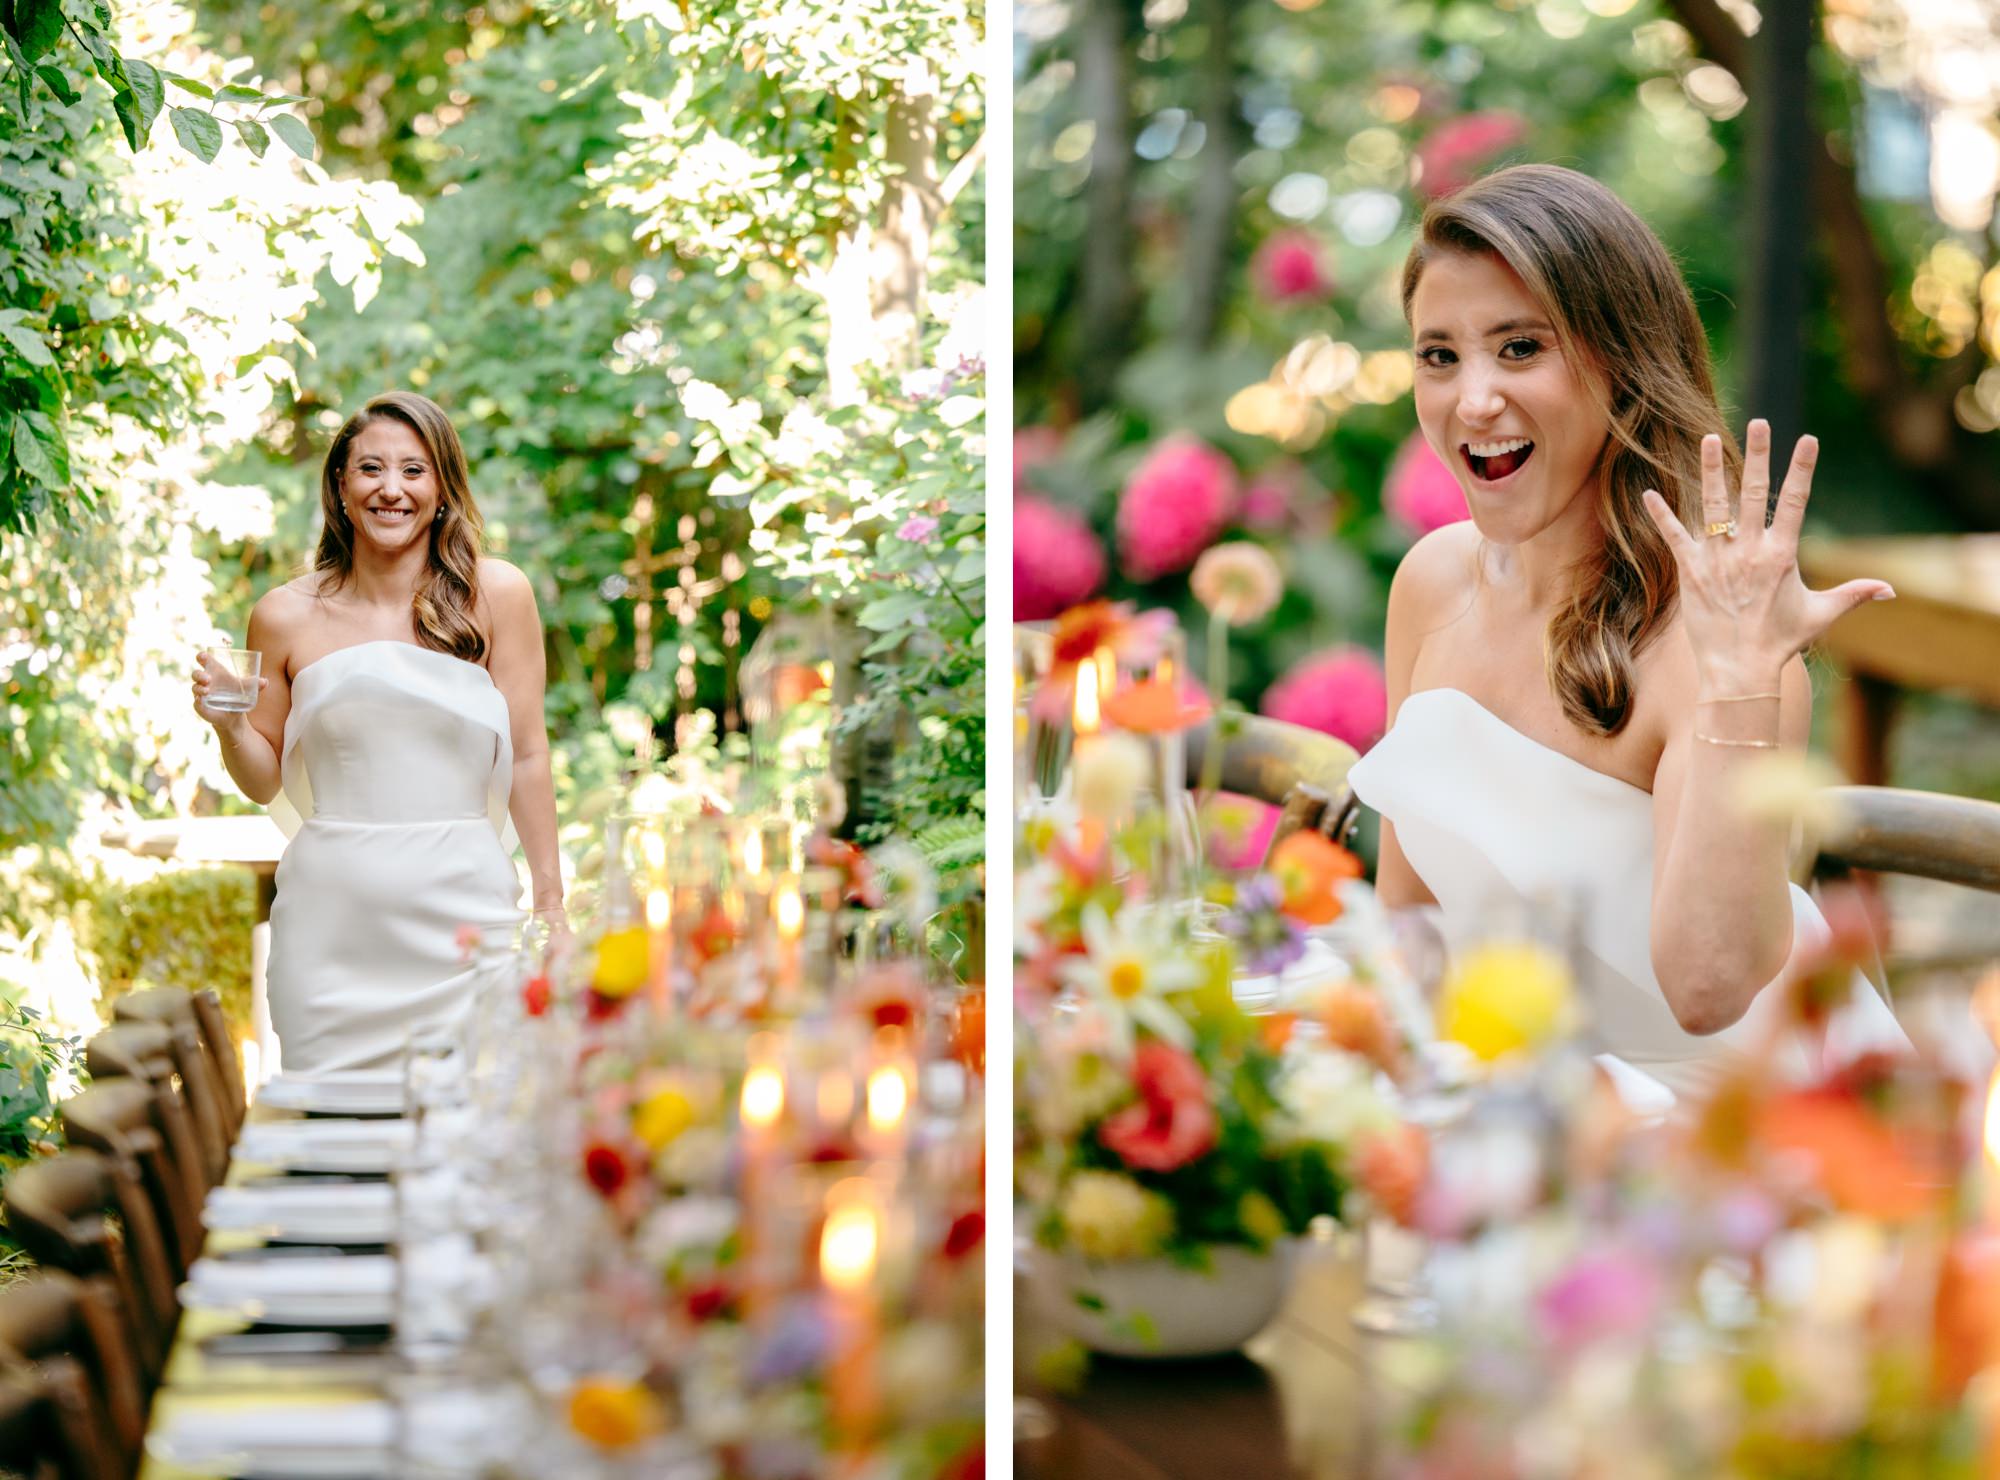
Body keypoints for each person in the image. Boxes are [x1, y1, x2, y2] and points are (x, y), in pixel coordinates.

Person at [1346, 164, 1903, 1105]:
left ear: (1623, 361)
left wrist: (1740, 685)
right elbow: (1414, 921)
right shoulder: (1430, 584)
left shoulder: (1715, 649)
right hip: (1525, 1110)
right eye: (1438, 356)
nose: (1471, 400)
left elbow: (1709, 992)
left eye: (1520, 348)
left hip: (1735, 1130)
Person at [193, 390, 567, 1073]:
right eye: (371, 469)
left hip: (467, 924)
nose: (391, 489)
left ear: (442, 487)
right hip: (331, 935)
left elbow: (530, 755)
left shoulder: (499, 595)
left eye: (413, 470)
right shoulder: (282, 615)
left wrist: (550, 904)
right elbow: (263, 778)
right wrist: (228, 727)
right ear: (341, 485)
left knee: (477, 1129)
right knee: (331, 1154)